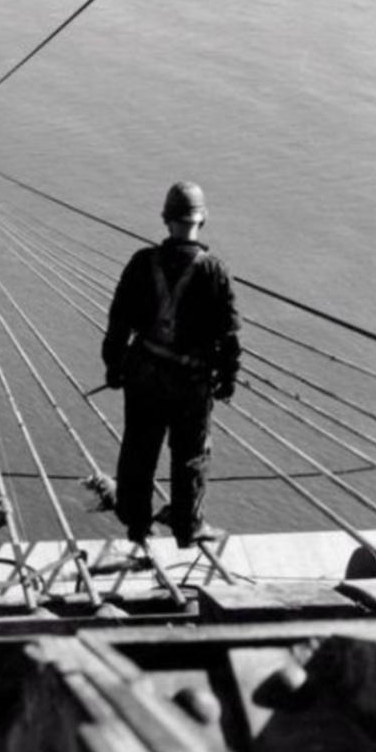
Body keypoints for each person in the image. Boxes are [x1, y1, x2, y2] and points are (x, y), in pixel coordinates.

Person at [102, 181, 240, 547]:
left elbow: (118, 321)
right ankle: (187, 528)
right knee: (191, 455)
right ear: (202, 220)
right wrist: (227, 379)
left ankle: (137, 526)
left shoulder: (141, 263)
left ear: (166, 221)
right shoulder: (215, 272)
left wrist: (113, 366)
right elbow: (228, 336)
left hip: (144, 373)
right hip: (190, 383)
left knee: (138, 449)